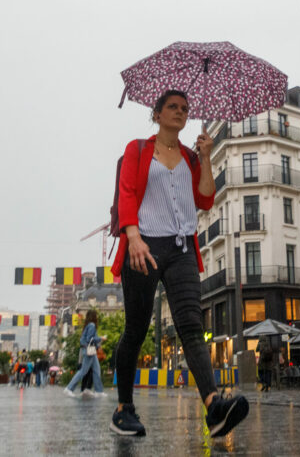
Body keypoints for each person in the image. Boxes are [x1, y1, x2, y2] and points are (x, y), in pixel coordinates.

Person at [109, 90, 249, 438]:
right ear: (156, 114)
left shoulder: (190, 155)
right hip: (144, 246)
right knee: (136, 330)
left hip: (182, 248)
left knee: (190, 325)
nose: (180, 112)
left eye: (185, 108)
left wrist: (205, 157)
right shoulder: (137, 149)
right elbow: (127, 191)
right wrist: (134, 237)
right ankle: (123, 408)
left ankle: (214, 406)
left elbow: (204, 198)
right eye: (172, 107)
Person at [65, 310, 105, 398]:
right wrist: (100, 338)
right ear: (94, 316)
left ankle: (98, 391)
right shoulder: (92, 325)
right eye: (96, 316)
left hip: (90, 350)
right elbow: (89, 339)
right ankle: (69, 388)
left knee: (96, 370)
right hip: (89, 350)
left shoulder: (88, 325)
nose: (97, 317)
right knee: (83, 370)